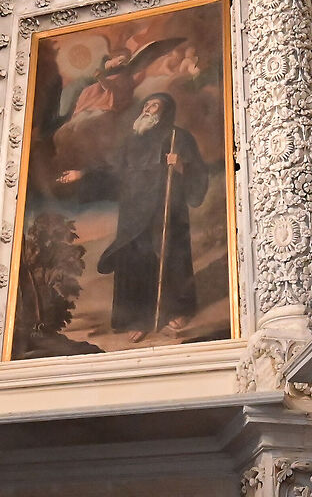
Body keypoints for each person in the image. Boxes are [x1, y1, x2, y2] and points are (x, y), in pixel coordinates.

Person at [55, 93, 209, 342]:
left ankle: (178, 311)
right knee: (135, 263)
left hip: (166, 209)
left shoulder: (177, 137)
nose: (148, 109)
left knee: (171, 259)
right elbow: (113, 173)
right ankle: (137, 319)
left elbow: (199, 174)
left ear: (166, 111)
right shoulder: (131, 141)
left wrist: (180, 165)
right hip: (133, 212)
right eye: (146, 105)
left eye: (155, 105)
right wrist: (82, 174)